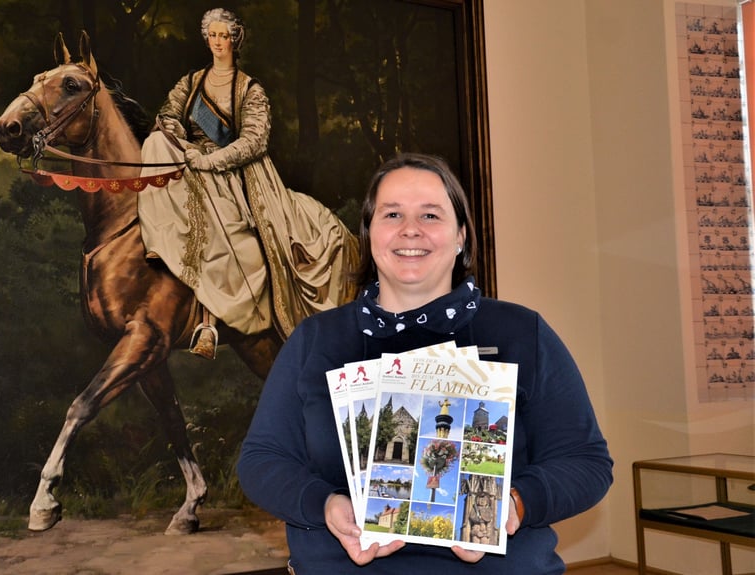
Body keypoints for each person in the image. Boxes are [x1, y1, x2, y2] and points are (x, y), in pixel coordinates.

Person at [237, 153, 613, 574]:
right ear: (370, 234)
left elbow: (587, 462)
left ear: (461, 236)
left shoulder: (522, 333)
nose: (410, 229)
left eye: (431, 215)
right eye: (392, 213)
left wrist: (513, 506)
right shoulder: (315, 340)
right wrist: (325, 506)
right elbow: (261, 460)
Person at [138, 8, 357, 359]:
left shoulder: (249, 89)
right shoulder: (191, 82)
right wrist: (182, 139)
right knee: (154, 143)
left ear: (235, 40)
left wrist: (211, 160)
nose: (218, 42)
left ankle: (210, 323)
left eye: (224, 36)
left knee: (227, 228)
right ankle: (159, 240)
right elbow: (167, 117)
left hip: (238, 172)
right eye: (212, 35)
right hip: (192, 162)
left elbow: (254, 141)